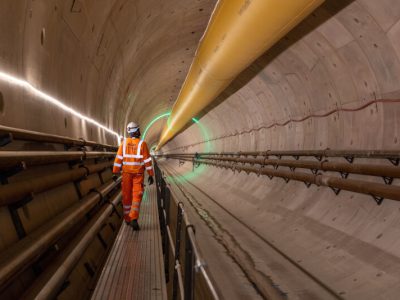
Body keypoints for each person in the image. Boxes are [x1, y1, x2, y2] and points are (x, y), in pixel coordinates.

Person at [112, 122, 154, 230]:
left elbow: (118, 159)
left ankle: (127, 219)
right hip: (138, 175)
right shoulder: (142, 144)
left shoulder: (124, 143)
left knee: (126, 196)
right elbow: (147, 161)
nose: (140, 131)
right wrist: (150, 174)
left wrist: (115, 172)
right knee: (137, 195)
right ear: (135, 131)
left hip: (126, 174)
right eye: (138, 129)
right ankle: (134, 218)